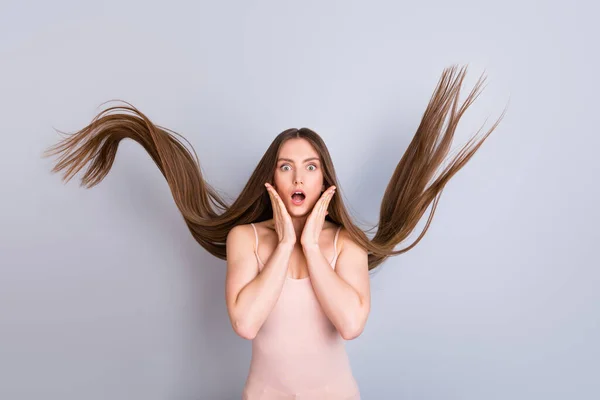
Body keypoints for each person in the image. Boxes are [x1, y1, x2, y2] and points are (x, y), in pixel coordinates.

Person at [43, 65, 506, 399]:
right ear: (273, 179)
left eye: (310, 167)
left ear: (326, 180)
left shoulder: (346, 245)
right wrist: (285, 244)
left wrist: (310, 243)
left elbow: (350, 324)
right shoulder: (248, 239)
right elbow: (245, 323)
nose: (299, 178)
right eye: (287, 167)